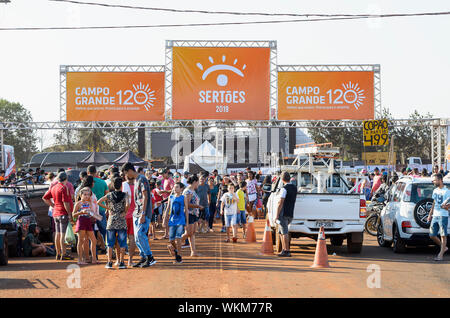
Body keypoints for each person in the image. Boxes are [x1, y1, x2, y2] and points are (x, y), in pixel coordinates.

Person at [122, 162, 156, 268]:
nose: (126, 176)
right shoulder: (136, 180)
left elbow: (145, 197)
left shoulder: (142, 179)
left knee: (140, 235)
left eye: (125, 173)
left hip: (142, 212)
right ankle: (143, 257)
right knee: (137, 237)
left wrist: (143, 213)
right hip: (136, 212)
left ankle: (150, 257)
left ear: (129, 171)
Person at [98, 177, 129, 269]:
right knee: (122, 242)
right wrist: (124, 212)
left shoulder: (110, 195)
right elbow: (127, 204)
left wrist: (109, 209)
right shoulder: (125, 195)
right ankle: (122, 262)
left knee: (110, 243)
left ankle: (109, 262)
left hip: (111, 220)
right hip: (121, 220)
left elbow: (98, 202)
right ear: (121, 186)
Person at [42, 172, 74, 261]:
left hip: (55, 213)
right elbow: (66, 202)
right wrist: (69, 214)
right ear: (66, 179)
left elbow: (44, 198)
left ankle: (58, 253)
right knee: (62, 235)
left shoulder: (54, 187)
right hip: (62, 213)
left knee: (58, 234)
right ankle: (63, 254)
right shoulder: (64, 188)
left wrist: (53, 205)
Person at [73, 187, 101, 265]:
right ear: (80, 195)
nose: (87, 196)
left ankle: (94, 259)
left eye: (88, 195)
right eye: (85, 194)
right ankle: (80, 259)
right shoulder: (78, 203)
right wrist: (81, 212)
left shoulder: (88, 203)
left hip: (88, 222)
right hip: (81, 221)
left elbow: (91, 212)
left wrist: (94, 215)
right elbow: (73, 214)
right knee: (81, 241)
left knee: (94, 240)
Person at [427, 173, 450, 261]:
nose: (434, 182)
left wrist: (447, 207)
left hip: (443, 215)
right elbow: (434, 202)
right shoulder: (435, 190)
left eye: (435, 180)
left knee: (443, 235)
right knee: (432, 235)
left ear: (440, 180)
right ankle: (443, 247)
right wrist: (430, 214)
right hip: (435, 215)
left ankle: (440, 255)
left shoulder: (447, 191)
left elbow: (448, 204)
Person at [87, 165, 109, 253]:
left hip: (90, 212)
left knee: (90, 231)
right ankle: (108, 248)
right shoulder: (103, 182)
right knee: (104, 230)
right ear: (96, 172)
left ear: (88, 172)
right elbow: (107, 197)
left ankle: (92, 251)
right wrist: (107, 209)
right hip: (101, 209)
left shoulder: (85, 183)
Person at [275, 172, 297, 257]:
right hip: (290, 212)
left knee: (284, 232)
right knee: (281, 231)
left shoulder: (284, 189)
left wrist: (276, 215)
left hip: (283, 213)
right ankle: (284, 249)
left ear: (282, 179)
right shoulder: (294, 188)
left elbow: (280, 203)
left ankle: (287, 250)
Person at [181, 175, 203, 257]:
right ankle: (174, 245)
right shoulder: (188, 191)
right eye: (197, 182)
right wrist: (198, 206)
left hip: (194, 214)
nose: (198, 184)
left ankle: (193, 252)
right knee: (188, 233)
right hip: (188, 214)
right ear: (194, 182)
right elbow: (187, 204)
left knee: (192, 233)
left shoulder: (192, 190)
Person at [165, 182, 188, 264]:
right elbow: (167, 209)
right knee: (171, 240)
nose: (175, 188)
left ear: (181, 189)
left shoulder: (183, 197)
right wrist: (165, 219)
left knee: (178, 238)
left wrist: (187, 222)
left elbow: (186, 210)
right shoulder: (170, 197)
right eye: (174, 187)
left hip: (180, 220)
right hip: (172, 221)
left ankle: (179, 257)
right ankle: (176, 250)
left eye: (177, 187)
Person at [122, 174, 137, 267]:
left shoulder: (123, 185)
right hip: (134, 215)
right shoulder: (137, 186)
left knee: (121, 238)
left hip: (123, 215)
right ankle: (130, 260)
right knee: (132, 238)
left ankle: (121, 260)